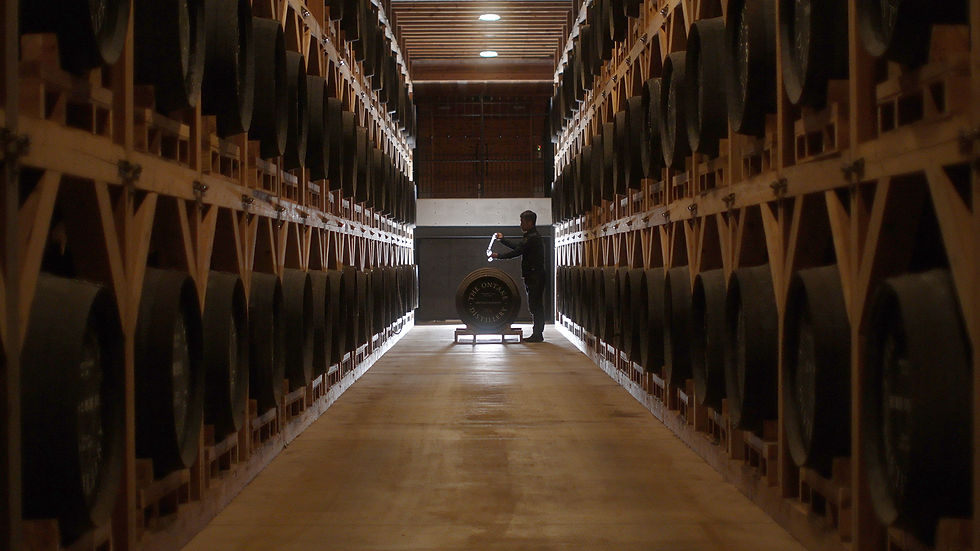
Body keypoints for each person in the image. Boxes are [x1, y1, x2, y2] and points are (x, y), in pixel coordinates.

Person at [491, 210, 546, 342]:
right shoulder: (530, 236)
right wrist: (502, 240)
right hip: (532, 275)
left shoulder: (533, 238)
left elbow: (517, 252)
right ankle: (537, 333)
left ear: (530, 222)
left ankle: (538, 334)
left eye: (522, 221)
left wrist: (498, 256)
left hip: (535, 275)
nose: (520, 224)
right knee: (534, 305)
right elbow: (518, 247)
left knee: (536, 305)